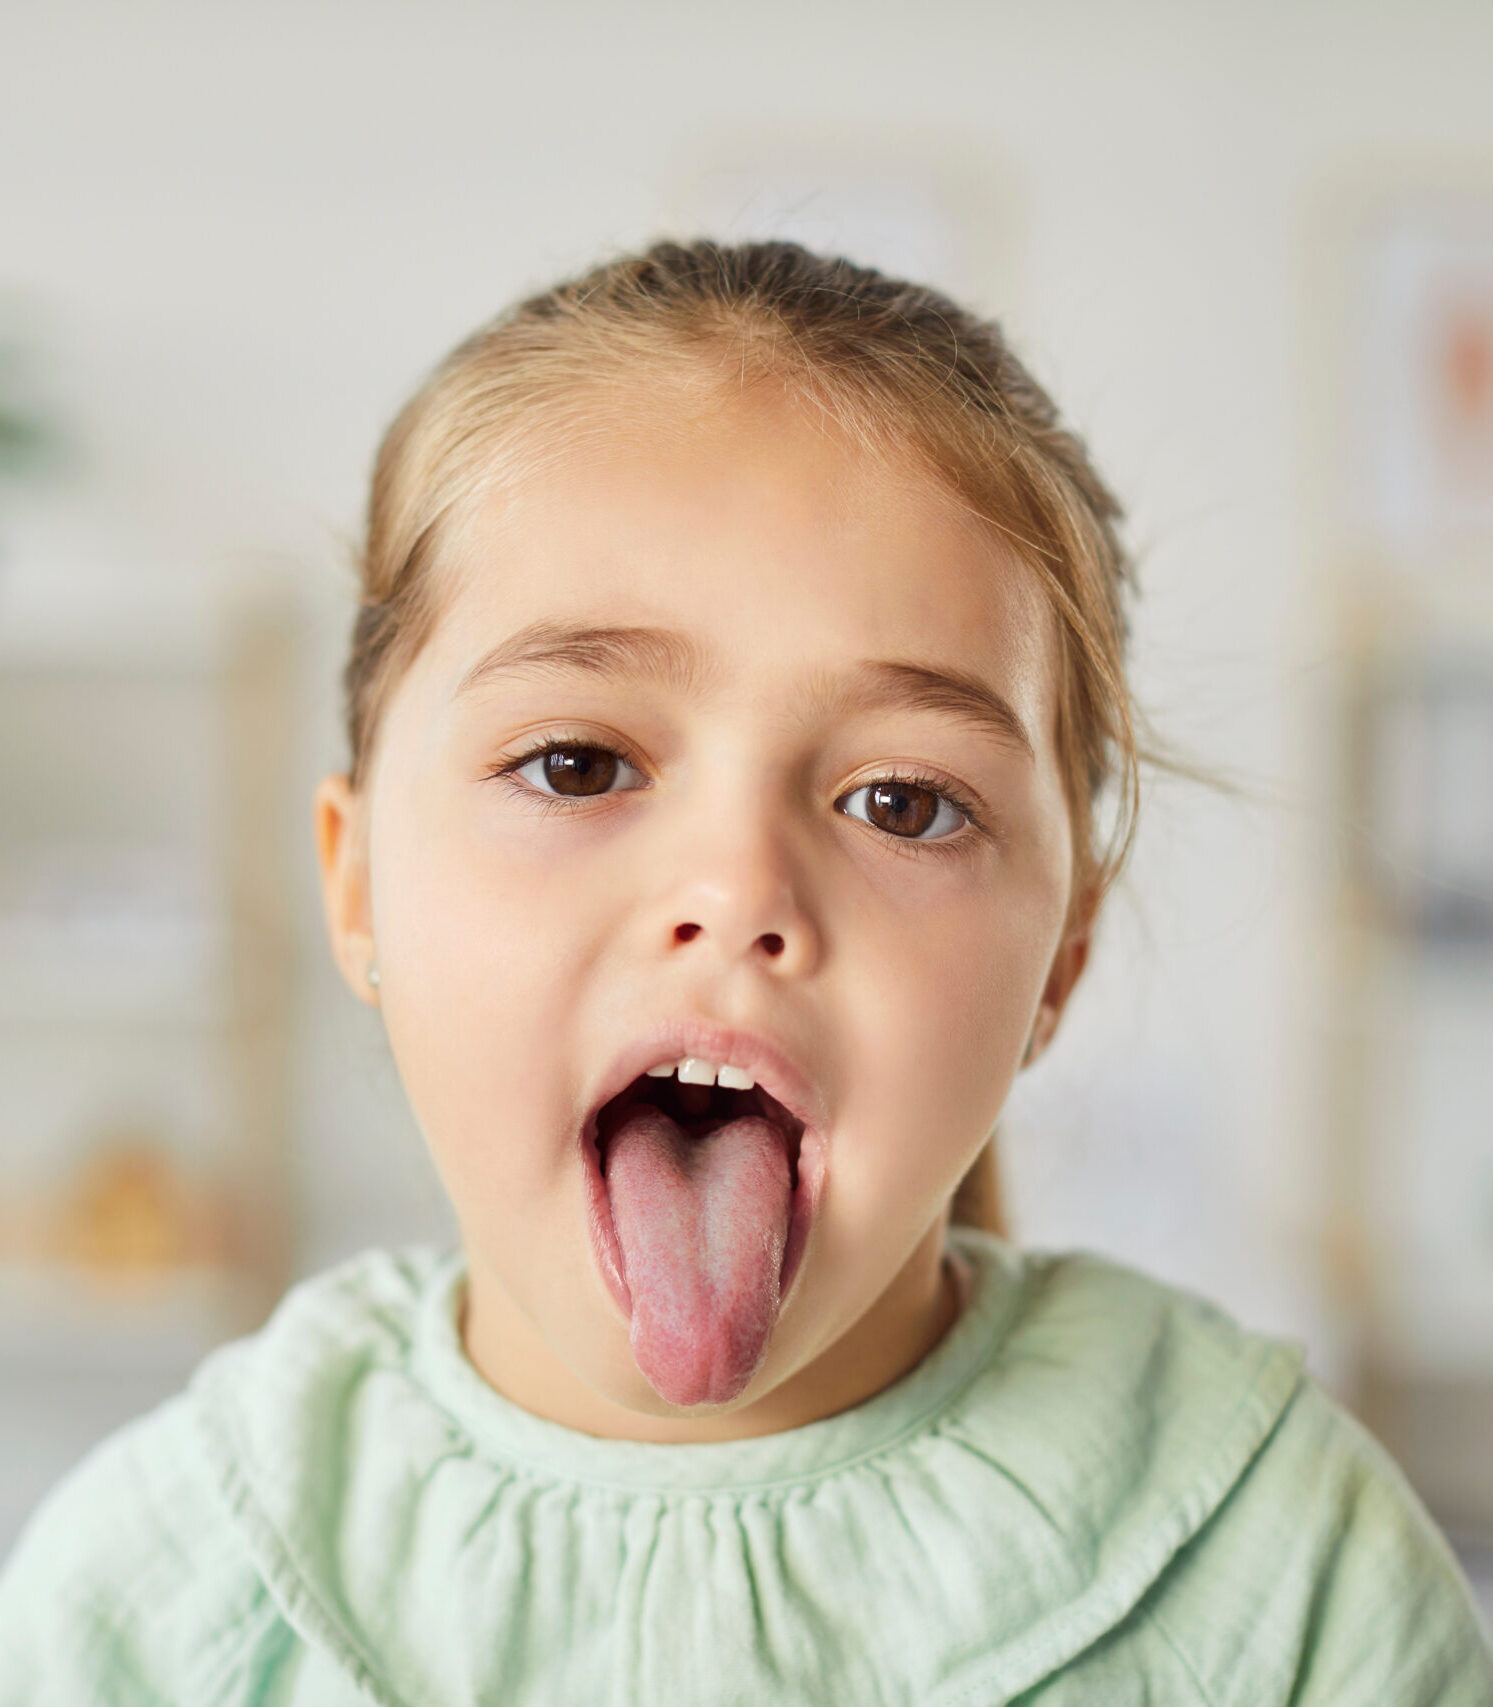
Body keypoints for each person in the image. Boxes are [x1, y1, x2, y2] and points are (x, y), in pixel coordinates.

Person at [2, 238, 1489, 1704]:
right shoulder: (161, 1587)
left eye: (902, 803)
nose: (736, 893)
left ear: (1061, 962)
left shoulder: (1288, 1568)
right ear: (354, 881)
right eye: (577, 764)